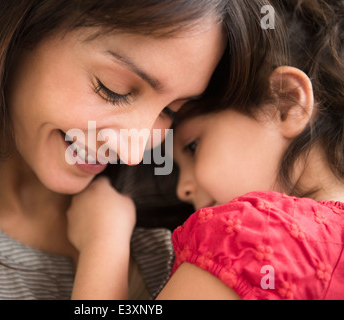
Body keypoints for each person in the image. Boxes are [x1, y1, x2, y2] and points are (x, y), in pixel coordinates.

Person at [0, 0, 275, 300]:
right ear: (19, 26)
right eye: (114, 89)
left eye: (171, 112)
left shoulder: (185, 250)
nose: (133, 150)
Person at [67, 0, 344, 299]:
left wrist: (104, 243)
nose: (183, 191)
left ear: (286, 104)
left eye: (193, 147)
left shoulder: (255, 236)